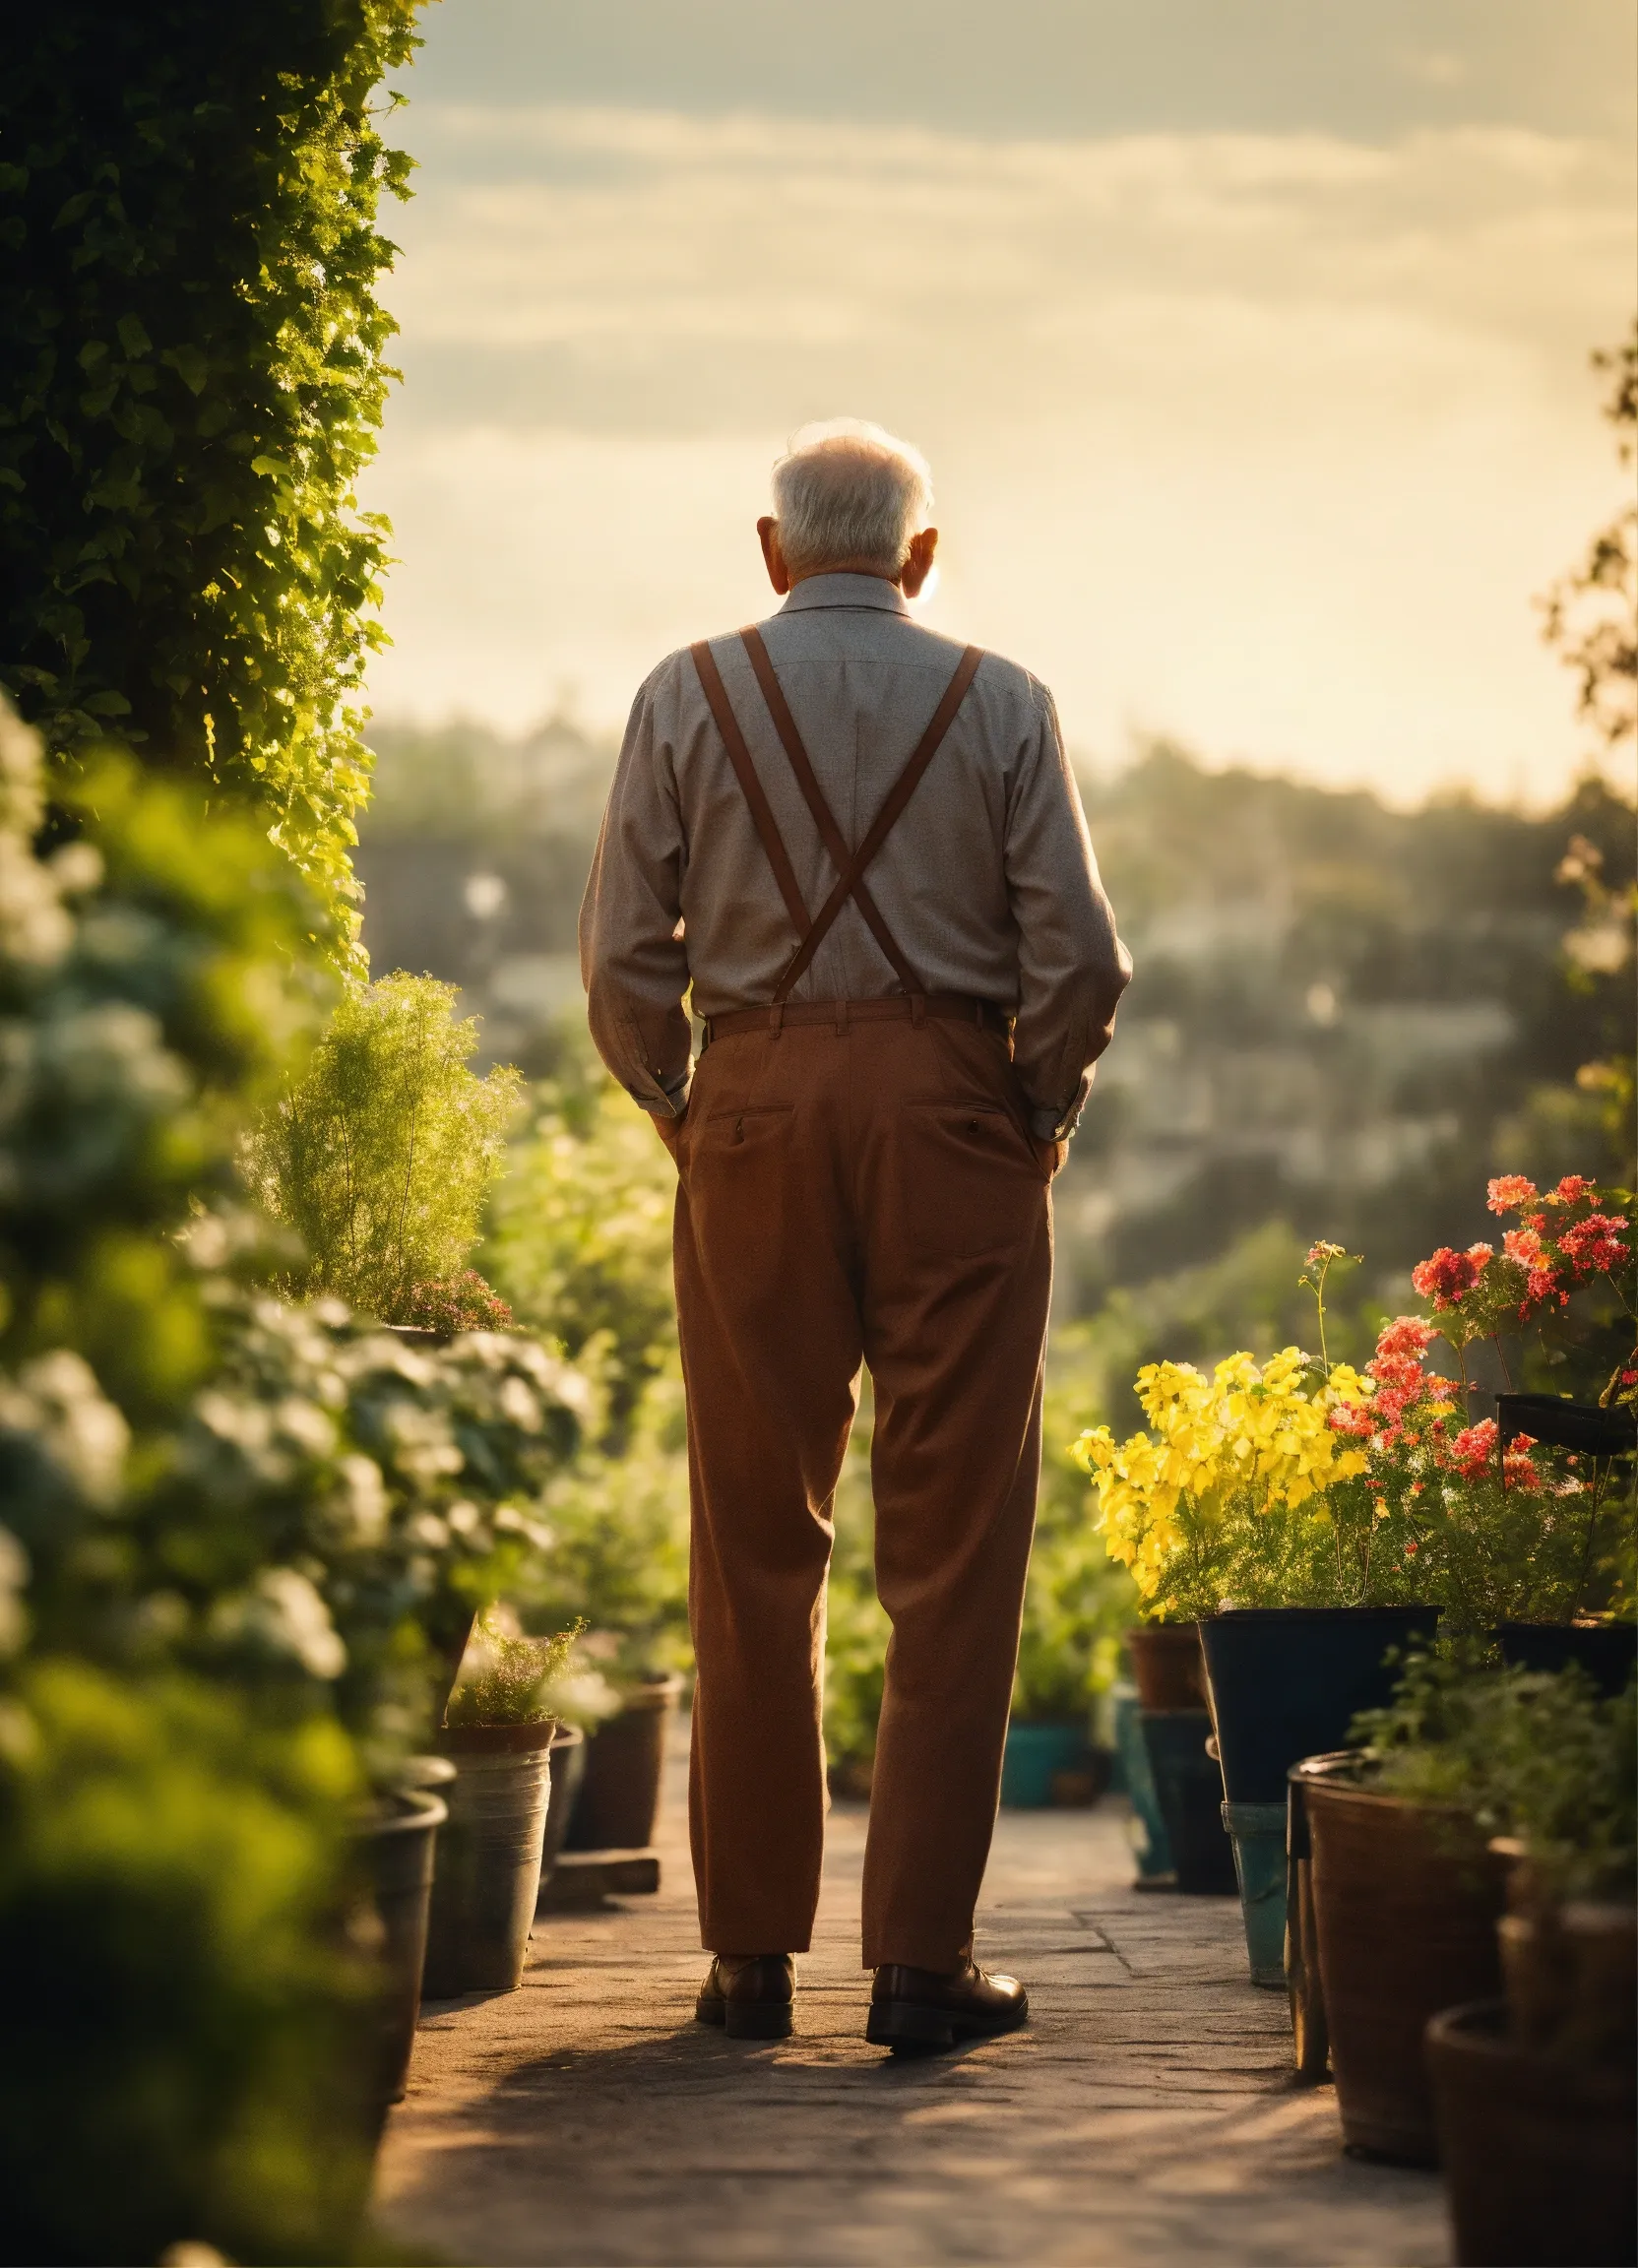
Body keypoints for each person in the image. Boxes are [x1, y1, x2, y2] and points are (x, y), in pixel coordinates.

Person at [580, 418, 1131, 2052]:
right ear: (920, 559)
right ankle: (917, 1965)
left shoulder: (685, 692)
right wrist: (1035, 1110)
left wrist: (690, 1113)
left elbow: (622, 963)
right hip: (955, 1118)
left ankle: (749, 1958)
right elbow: (1083, 963)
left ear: (770, 553)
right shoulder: (1005, 699)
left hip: (746, 1108)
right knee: (955, 1552)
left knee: (754, 1542)